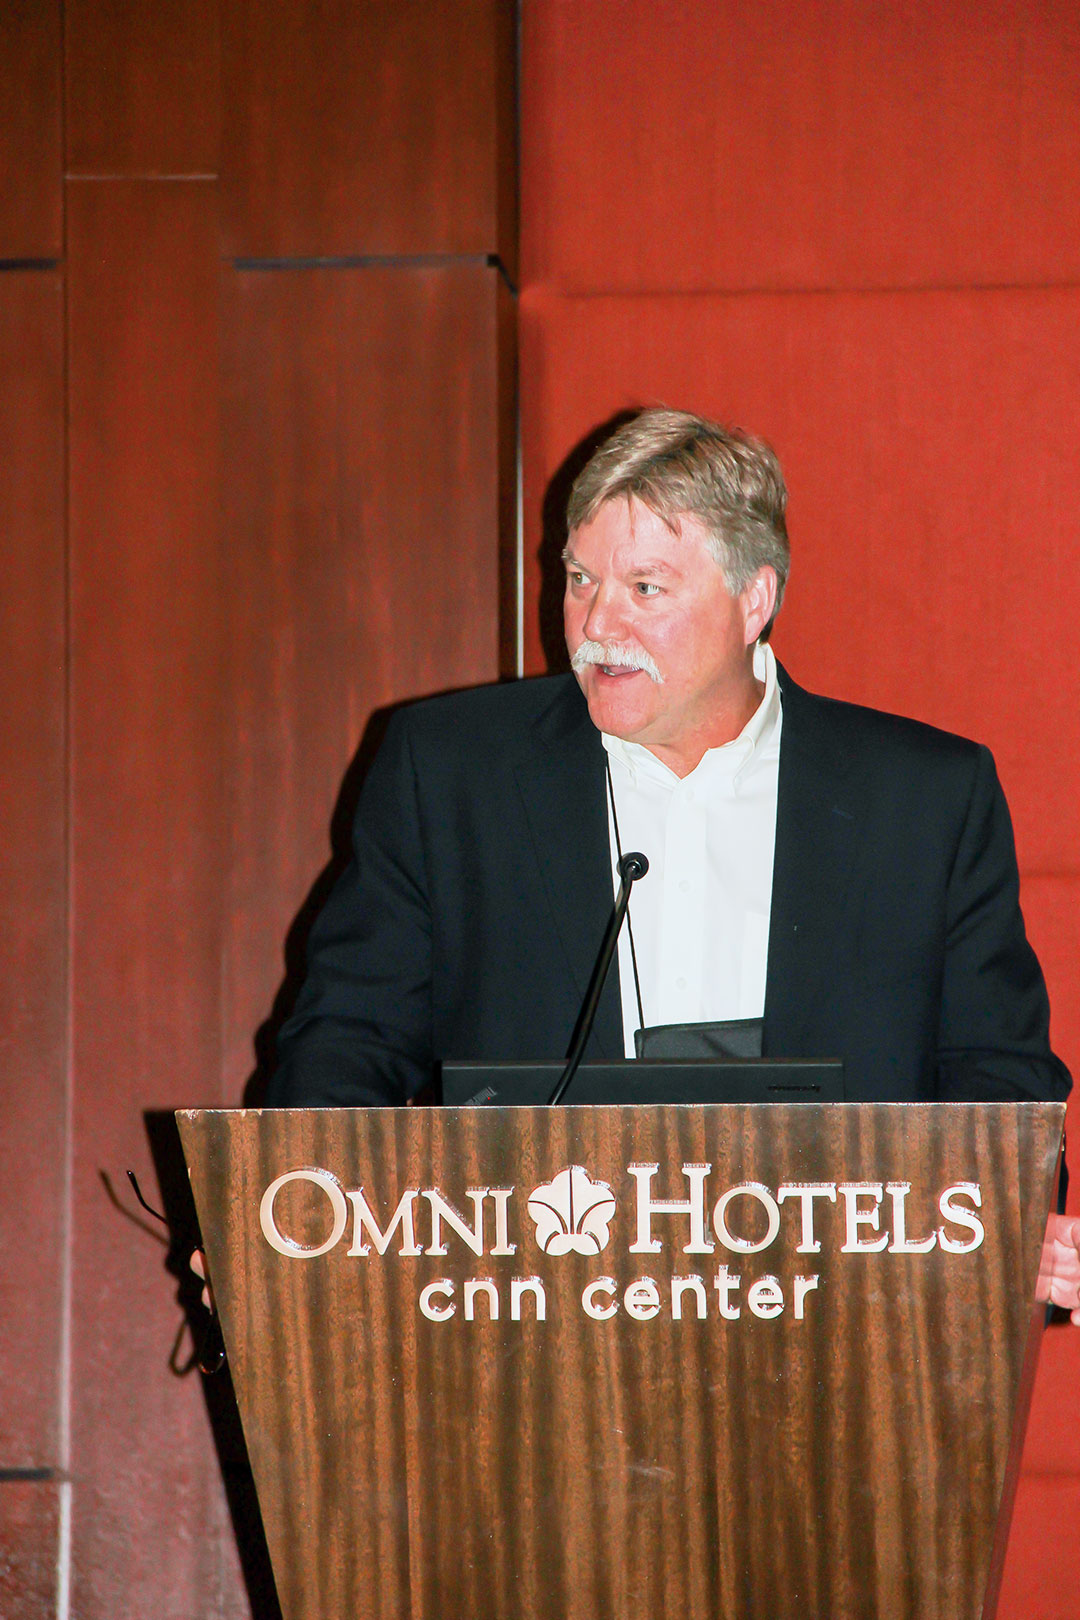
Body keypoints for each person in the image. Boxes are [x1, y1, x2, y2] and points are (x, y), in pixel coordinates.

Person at [266, 407, 1080, 1316]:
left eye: (645, 587)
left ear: (754, 601)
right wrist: (284, 1231)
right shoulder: (453, 774)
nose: (595, 622)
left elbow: (995, 1074)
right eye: (580, 578)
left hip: (850, 1331)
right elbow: (348, 1042)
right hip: (530, 1322)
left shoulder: (922, 799)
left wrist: (1015, 1228)